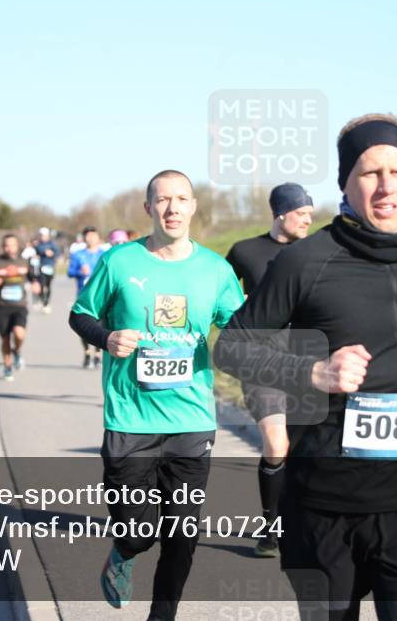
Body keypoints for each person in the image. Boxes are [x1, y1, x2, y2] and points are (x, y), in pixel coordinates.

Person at [215, 113, 397, 621]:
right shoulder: (305, 262)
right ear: (346, 181)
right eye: (370, 172)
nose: (386, 185)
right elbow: (232, 347)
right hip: (324, 502)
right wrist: (313, 373)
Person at [69, 170, 244, 621]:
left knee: (183, 534)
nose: (172, 208)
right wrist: (106, 337)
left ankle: (162, 615)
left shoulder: (215, 269)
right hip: (130, 419)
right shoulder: (119, 261)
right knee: (140, 531)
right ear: (148, 208)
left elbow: (240, 324)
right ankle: (124, 552)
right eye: (162, 200)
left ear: (193, 206)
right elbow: (80, 314)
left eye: (181, 199)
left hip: (192, 419)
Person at [225, 182, 314, 557]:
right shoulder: (245, 252)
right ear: (281, 213)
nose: (309, 220)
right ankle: (270, 526)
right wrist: (238, 305)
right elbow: (222, 295)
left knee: (307, 449)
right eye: (302, 213)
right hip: (262, 360)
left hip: (310, 361)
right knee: (277, 444)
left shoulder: (315, 253)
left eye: (311, 213)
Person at [0, 234, 40, 381]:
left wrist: (35, 283)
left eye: (12, 245)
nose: (9, 248)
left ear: (17, 246)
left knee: (19, 334)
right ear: (3, 247)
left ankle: (17, 351)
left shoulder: (23, 262)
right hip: (2, 306)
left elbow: (32, 276)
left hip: (19, 306)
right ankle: (7, 366)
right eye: (7, 245)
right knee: (4, 339)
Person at [67, 226, 106, 369]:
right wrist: (79, 271)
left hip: (101, 296)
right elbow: (69, 272)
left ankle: (98, 354)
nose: (90, 238)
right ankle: (87, 352)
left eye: (93, 236)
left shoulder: (105, 254)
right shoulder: (78, 255)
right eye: (88, 236)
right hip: (83, 295)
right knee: (84, 325)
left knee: (101, 325)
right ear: (84, 239)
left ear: (98, 238)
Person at [35, 227, 60, 314]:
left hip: (50, 267)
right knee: (42, 285)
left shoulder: (52, 243)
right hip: (42, 267)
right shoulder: (38, 244)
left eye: (44, 235)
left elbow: (57, 252)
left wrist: (52, 253)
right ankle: (43, 301)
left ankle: (47, 301)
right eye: (42, 235)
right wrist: (44, 252)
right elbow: (38, 250)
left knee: (48, 286)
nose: (43, 237)